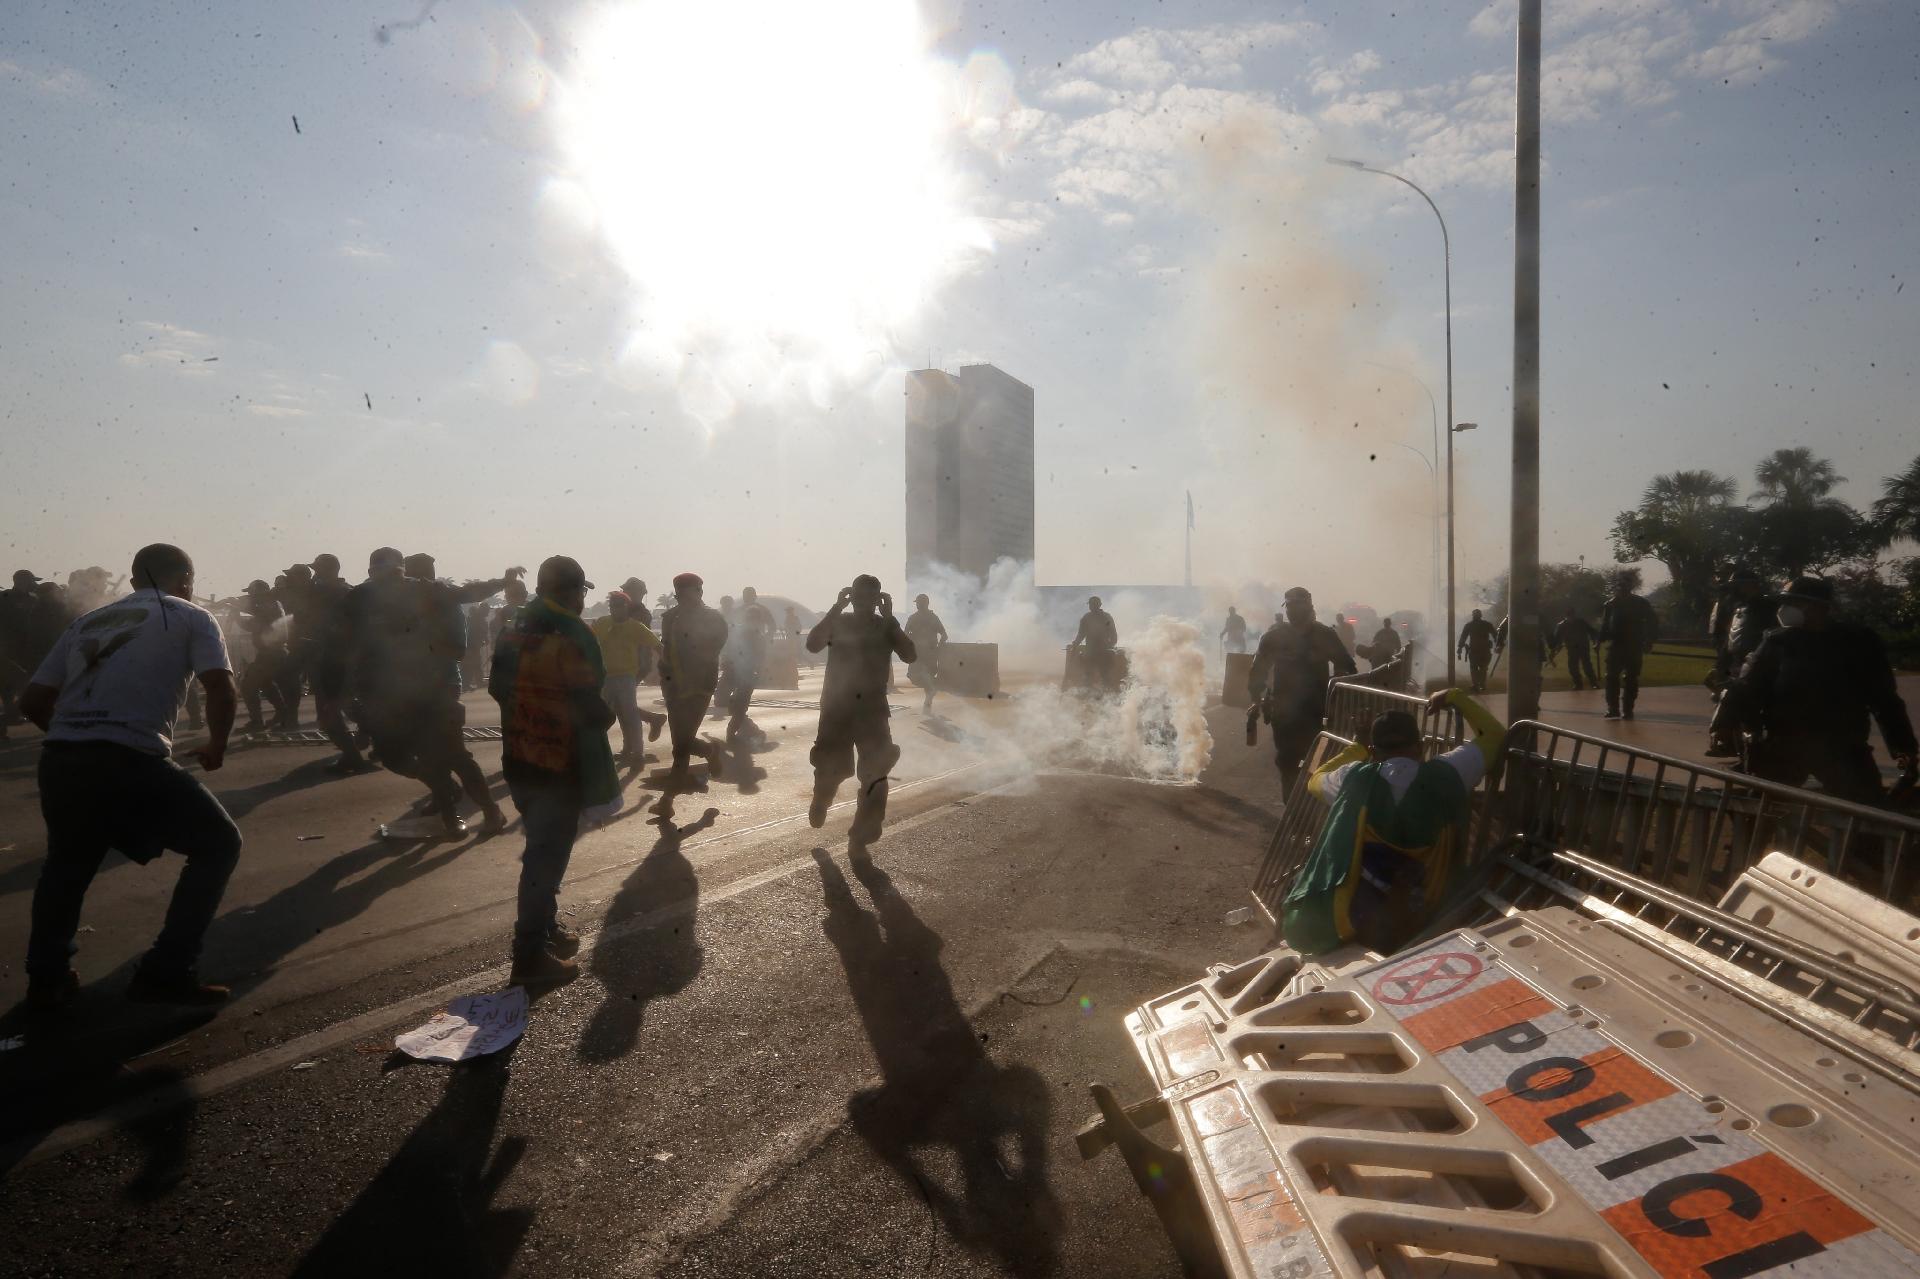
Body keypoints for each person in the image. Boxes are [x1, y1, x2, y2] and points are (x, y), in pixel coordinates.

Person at [20, 543, 242, 1012]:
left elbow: (33, 701)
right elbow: (221, 688)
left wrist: (76, 734)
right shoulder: (191, 615)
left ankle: (47, 981)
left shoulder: (87, 621)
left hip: (61, 759)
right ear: (186, 579)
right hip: (130, 758)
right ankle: (166, 971)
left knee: (66, 867)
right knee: (219, 844)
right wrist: (217, 745)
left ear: (136, 579)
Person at [1280, 688, 1506, 955]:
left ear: (1375, 753)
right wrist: (1455, 696)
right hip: (1431, 909)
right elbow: (1495, 735)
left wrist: (1358, 747)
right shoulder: (1450, 772)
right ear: (1420, 747)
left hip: (1355, 915)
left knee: (1297, 883)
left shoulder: (1354, 778)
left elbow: (1316, 779)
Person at [489, 555, 618, 987]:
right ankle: (529, 955)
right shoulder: (574, 632)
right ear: (571, 592)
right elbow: (587, 701)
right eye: (581, 591)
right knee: (545, 857)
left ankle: (546, 929)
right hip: (559, 763)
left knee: (541, 845)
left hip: (519, 756)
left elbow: (496, 687)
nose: (582, 599)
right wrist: (606, 716)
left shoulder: (514, 626)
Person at [1716, 576, 1916, 802]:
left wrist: (1903, 748)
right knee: (1761, 809)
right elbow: (1747, 686)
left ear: (1817, 607)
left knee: (1866, 810)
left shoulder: (1858, 643)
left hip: (1843, 747)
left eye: (1792, 602)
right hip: (1785, 744)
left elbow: (1885, 699)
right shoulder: (1777, 642)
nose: (1783, 609)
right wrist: (1726, 723)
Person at [807, 575, 915, 844]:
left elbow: (910, 655)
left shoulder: (885, 626)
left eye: (869, 598)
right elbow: (812, 644)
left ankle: (868, 822)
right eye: (859, 597)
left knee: (875, 771)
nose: (863, 603)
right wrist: (836, 608)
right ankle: (822, 799)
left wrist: (890, 618)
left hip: (871, 710)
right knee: (830, 767)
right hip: (837, 708)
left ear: (877, 600)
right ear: (851, 597)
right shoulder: (839, 622)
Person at [1247, 586, 1357, 795]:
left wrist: (1337, 688)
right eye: (1289, 606)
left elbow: (1347, 666)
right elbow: (1258, 671)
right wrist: (1255, 699)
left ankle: (1308, 802)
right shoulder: (1274, 637)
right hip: (1284, 711)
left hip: (1317, 711)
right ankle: (1292, 805)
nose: (1292, 610)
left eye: (1297, 605)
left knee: (1316, 760)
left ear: (1309, 607)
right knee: (1286, 761)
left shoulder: (1324, 635)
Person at [657, 572, 730, 782]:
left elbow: (712, 651)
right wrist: (662, 671)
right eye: (678, 596)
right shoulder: (669, 618)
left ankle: (672, 788)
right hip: (673, 686)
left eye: (686, 595)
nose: (682, 600)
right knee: (679, 740)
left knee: (683, 742)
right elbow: (665, 649)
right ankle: (709, 751)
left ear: (700, 592)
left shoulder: (713, 619)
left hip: (700, 686)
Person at [305, 553, 370, 772]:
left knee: (329, 713)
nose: (315, 575)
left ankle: (354, 756)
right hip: (335, 658)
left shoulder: (336, 593)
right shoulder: (339, 591)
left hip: (340, 659)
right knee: (344, 706)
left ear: (331, 570)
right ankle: (371, 731)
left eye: (318, 570)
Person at [591, 590, 666, 763]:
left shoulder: (635, 626)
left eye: (619, 605)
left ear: (626, 607)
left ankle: (638, 753)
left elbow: (657, 645)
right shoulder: (602, 623)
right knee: (605, 715)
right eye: (612, 606)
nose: (615, 609)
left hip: (626, 677)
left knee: (630, 715)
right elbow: (588, 641)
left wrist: (669, 667)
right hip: (605, 677)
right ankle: (621, 750)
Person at [1598, 575, 1659, 720]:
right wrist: (1599, 640)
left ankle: (1628, 709)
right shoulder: (1610, 604)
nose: (1622, 589)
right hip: (1615, 645)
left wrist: (1649, 641)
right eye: (1620, 586)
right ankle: (1613, 708)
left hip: (1634, 645)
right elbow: (1605, 625)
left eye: (1625, 586)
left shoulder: (1641, 603)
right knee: (1611, 677)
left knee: (1631, 678)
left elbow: (1652, 622)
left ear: (1630, 587)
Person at [721, 586, 774, 742]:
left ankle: (736, 727)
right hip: (736, 666)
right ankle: (744, 723)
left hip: (748, 667)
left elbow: (771, 626)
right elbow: (728, 634)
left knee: (741, 700)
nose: (747, 597)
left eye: (749, 595)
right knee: (725, 699)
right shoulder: (739, 614)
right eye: (745, 595)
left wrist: (767, 638)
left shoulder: (761, 612)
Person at [238, 578, 291, 732]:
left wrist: (237, 613)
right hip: (271, 653)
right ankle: (282, 713)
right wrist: (237, 613)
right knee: (265, 683)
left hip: (272, 653)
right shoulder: (269, 605)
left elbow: (254, 624)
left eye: (251, 593)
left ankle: (257, 722)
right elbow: (254, 624)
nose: (250, 596)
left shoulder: (270, 605)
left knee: (248, 686)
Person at [903, 593, 948, 712]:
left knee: (916, 676)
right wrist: (939, 647)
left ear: (923, 604)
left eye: (919, 603)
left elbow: (905, 635)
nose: (918, 605)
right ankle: (932, 691)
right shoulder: (932, 618)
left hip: (920, 654)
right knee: (926, 677)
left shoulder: (914, 618)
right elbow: (944, 635)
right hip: (927, 654)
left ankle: (929, 699)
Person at [1069, 595, 1119, 692]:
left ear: (1099, 605)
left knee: (1102, 675)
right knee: (1091, 675)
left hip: (1100, 651)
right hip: (1093, 651)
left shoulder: (1101, 617)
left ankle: (1103, 693)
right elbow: (1081, 634)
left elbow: (1112, 633)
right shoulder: (1089, 618)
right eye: (1091, 604)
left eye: (1093, 604)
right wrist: (1076, 643)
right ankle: (1094, 693)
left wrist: (1111, 644)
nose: (1092, 606)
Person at [1550, 607, 1600, 692]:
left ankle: (1593, 683)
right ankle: (1578, 684)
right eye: (1569, 616)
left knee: (1587, 666)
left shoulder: (1581, 622)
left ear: (1574, 615)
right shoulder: (1561, 625)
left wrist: (1595, 643)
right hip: (1572, 649)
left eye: (1572, 616)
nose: (1571, 618)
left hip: (1583, 647)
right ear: (1566, 616)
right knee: (1573, 667)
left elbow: (1593, 632)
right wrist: (1555, 648)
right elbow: (1557, 639)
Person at [1456, 609, 1497, 693]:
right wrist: (1499, 643)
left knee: (1476, 668)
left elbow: (1463, 637)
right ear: (1480, 615)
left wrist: (1460, 648)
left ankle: (1477, 684)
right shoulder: (1486, 624)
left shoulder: (1469, 625)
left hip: (1476, 650)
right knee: (1482, 668)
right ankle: (1480, 684)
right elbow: (1495, 635)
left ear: (1473, 616)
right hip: (1482, 650)